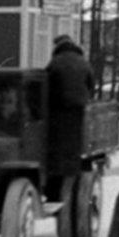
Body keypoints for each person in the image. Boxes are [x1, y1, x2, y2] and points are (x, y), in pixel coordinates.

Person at [46, 35, 96, 169]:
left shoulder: (55, 62)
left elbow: (47, 84)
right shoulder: (83, 62)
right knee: (74, 139)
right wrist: (86, 98)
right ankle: (72, 166)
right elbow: (91, 84)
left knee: (57, 139)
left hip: (57, 106)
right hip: (78, 107)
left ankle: (57, 165)